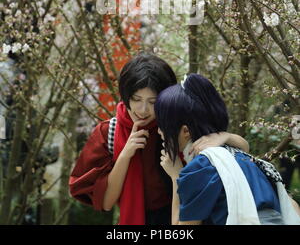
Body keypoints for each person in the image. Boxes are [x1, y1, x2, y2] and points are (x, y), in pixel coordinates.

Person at [69, 54, 249, 225]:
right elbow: (107, 203)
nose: (143, 109)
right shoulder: (108, 131)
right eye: (136, 99)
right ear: (125, 96)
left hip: (185, 215)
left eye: (153, 102)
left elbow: (237, 154)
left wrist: (225, 136)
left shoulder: (174, 127)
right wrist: (125, 155)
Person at [154, 73, 300, 225]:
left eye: (162, 126)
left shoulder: (200, 167)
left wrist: (175, 176)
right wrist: (227, 136)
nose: (159, 131)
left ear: (186, 131)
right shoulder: (241, 157)